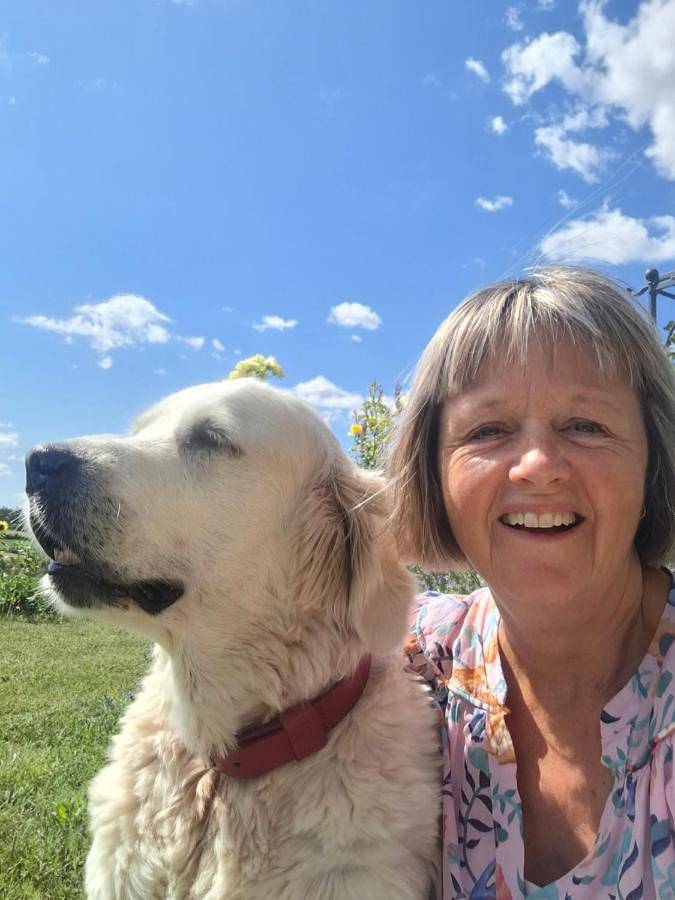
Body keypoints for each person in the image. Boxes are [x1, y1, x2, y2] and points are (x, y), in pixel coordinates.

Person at [388, 267, 675, 899]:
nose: (538, 465)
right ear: (432, 474)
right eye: (488, 431)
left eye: (586, 425)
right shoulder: (411, 659)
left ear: (654, 459)